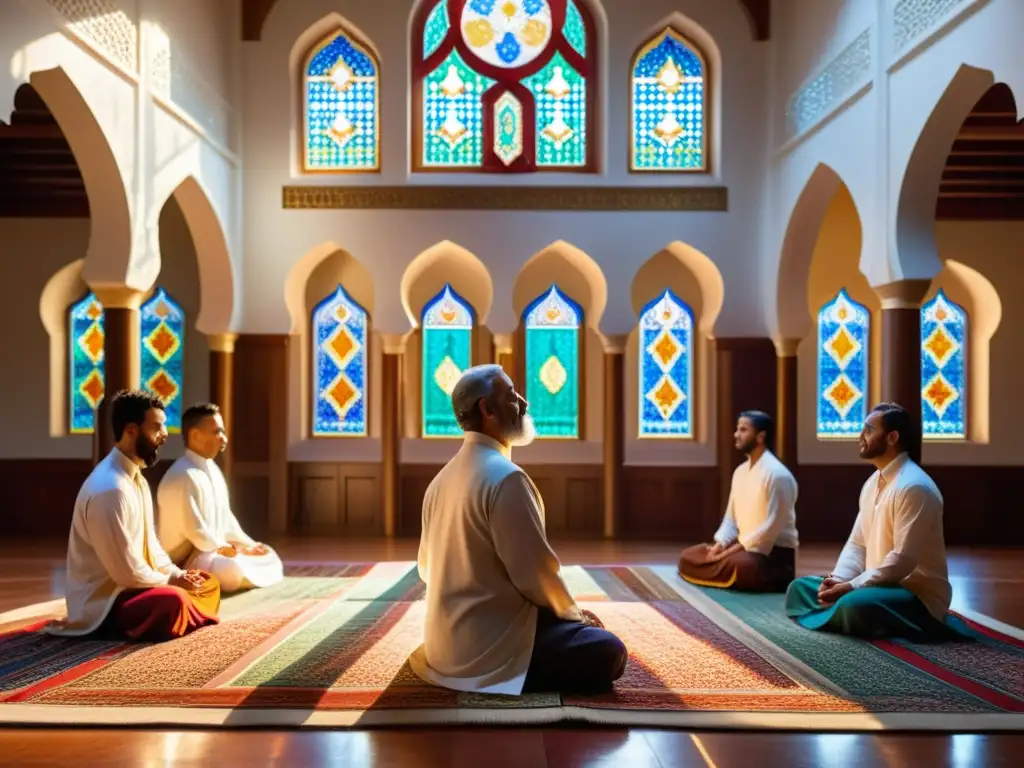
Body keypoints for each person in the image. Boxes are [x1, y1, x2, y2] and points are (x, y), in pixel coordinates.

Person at [409, 364, 628, 696]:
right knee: (608, 650)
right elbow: (536, 576)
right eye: (511, 395)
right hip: (489, 654)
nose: (523, 402)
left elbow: (425, 570)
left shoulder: (439, 481)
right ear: (488, 409)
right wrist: (573, 617)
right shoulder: (506, 478)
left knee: (577, 627)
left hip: (444, 649)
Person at [47, 390, 220, 642]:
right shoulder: (110, 489)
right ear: (131, 431)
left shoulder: (134, 478)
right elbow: (126, 574)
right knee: (173, 600)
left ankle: (184, 614)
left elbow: (152, 545)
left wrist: (176, 574)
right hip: (107, 602)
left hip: (135, 589)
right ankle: (178, 614)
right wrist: (172, 582)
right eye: (157, 428)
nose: (164, 436)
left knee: (207, 583)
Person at [785, 402, 959, 641]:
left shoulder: (914, 486)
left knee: (856, 604)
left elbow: (903, 560)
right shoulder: (872, 483)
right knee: (800, 588)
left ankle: (841, 608)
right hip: (874, 586)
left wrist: (851, 586)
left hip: (915, 594)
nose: (860, 436)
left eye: (868, 430)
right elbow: (858, 543)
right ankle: (840, 607)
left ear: (891, 437)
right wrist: (837, 579)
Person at [157, 403, 282, 593]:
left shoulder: (212, 469)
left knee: (268, 555)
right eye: (217, 432)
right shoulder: (182, 476)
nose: (223, 438)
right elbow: (196, 533)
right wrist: (231, 550)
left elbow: (226, 519)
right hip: (188, 560)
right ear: (195, 435)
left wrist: (249, 545)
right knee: (230, 569)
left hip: (215, 552)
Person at [678, 411, 799, 592]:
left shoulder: (778, 475)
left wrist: (730, 552)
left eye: (743, 430)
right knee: (688, 557)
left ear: (760, 437)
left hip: (771, 556)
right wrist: (720, 545)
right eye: (737, 429)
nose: (736, 435)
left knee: (742, 567)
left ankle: (729, 569)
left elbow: (767, 533)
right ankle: (719, 564)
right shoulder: (740, 472)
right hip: (741, 550)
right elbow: (731, 518)